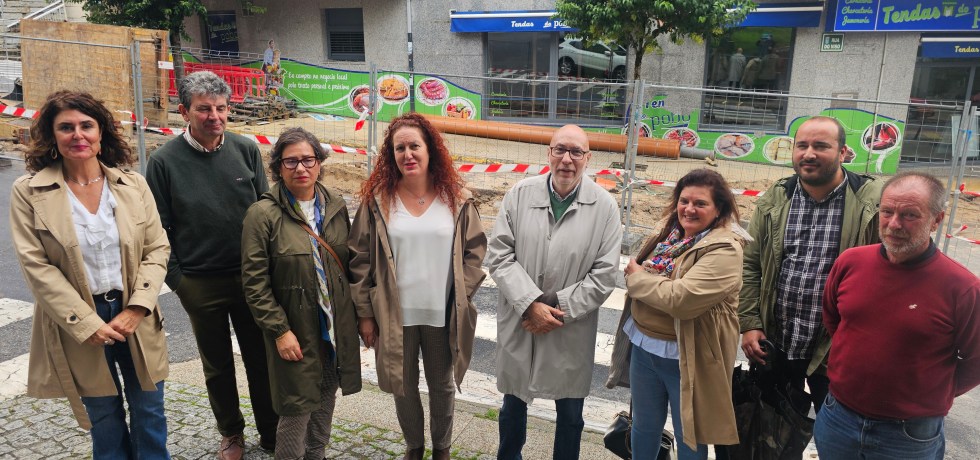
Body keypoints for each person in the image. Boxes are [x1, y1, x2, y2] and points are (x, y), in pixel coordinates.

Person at [10, 90, 171, 458]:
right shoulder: (29, 192)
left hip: (136, 313)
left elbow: (157, 248)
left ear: (101, 133)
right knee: (104, 417)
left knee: (150, 410)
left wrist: (137, 308)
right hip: (79, 321)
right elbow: (36, 267)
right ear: (52, 136)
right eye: (66, 127)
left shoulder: (133, 185)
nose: (78, 135)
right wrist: (87, 323)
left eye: (87, 125)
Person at [145, 70, 277, 460]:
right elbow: (157, 228)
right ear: (185, 111)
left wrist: (268, 269)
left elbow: (266, 212)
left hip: (252, 279)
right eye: (204, 109)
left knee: (261, 358)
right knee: (217, 365)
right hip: (200, 282)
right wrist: (179, 281)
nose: (215, 116)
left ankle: (271, 430)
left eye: (221, 108)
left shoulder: (246, 149)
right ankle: (231, 432)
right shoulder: (163, 161)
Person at [349, 112, 487, 460]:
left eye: (414, 146)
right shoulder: (378, 201)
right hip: (395, 316)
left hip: (442, 314)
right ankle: (414, 446)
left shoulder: (456, 199)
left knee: (442, 387)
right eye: (399, 148)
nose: (407, 154)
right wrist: (365, 314)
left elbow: (475, 251)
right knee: (403, 387)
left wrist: (463, 291)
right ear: (391, 155)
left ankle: (441, 448)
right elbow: (360, 258)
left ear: (430, 150)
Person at [815, 172, 980, 459]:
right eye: (887, 211)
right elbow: (834, 320)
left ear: (937, 220)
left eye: (909, 215)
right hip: (838, 417)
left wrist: (929, 395)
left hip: (909, 435)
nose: (893, 224)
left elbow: (976, 360)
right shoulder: (850, 262)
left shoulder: (962, 288)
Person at [487, 124, 622, 460]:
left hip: (569, 326)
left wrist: (556, 309)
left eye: (576, 152)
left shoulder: (604, 207)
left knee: (571, 414)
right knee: (512, 406)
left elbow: (604, 275)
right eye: (560, 150)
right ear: (549, 153)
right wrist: (530, 304)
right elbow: (499, 255)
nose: (567, 159)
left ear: (588, 158)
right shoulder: (520, 194)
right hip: (522, 319)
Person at [739, 115, 882, 419]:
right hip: (776, 342)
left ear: (843, 152)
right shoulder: (777, 196)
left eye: (821, 146)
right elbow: (750, 264)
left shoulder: (872, 202)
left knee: (839, 435)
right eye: (802, 145)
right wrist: (750, 323)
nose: (809, 153)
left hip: (836, 350)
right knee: (769, 434)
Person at [607, 168, 747, 459]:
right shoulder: (670, 232)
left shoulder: (725, 250)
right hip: (644, 346)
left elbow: (681, 299)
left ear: (719, 209)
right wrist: (652, 282)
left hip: (687, 355)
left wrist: (637, 278)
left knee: (689, 437)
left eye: (700, 203)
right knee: (643, 427)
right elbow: (664, 288)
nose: (689, 209)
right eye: (684, 201)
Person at [241, 127, 362, 460]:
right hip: (295, 329)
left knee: (326, 397)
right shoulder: (262, 214)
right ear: (278, 167)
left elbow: (348, 264)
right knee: (296, 409)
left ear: (319, 162)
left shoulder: (334, 204)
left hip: (333, 327)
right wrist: (280, 331)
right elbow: (254, 283)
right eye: (291, 161)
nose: (301, 168)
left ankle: (316, 454)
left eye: (308, 159)